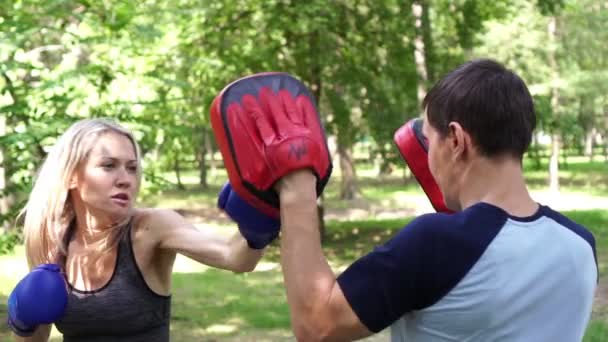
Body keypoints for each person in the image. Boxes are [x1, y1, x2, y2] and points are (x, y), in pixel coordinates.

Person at [270, 59, 598, 341]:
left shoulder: (436, 243)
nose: (427, 158)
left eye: (428, 141)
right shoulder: (581, 246)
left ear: (456, 140)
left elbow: (316, 325)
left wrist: (296, 187)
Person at [7, 118, 279, 342]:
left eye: (132, 168)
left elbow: (234, 257)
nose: (125, 179)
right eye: (109, 165)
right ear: (72, 177)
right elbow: (35, 337)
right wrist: (22, 323)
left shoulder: (150, 229)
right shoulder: (55, 240)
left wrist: (259, 221)